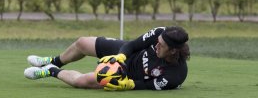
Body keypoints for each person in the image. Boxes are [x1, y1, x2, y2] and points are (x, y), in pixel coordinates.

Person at [24, 26, 190, 91]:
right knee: (82, 42)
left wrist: (129, 85)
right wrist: (120, 56)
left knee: (82, 82)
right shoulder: (161, 32)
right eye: (157, 43)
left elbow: (147, 86)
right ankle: (53, 61)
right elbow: (133, 44)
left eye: (161, 46)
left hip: (128, 76)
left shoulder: (176, 75)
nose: (157, 45)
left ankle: (50, 71)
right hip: (127, 54)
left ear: (173, 51)